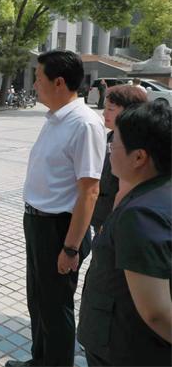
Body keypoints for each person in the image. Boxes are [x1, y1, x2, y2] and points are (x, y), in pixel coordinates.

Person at [5, 50, 106, 367]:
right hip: (37, 223)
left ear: (59, 82)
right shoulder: (55, 118)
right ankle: (40, 360)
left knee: (56, 306)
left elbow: (89, 191)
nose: (34, 84)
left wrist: (71, 248)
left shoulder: (84, 124)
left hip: (60, 229)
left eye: (38, 78)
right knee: (38, 301)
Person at [78, 100, 171, 366]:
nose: (109, 152)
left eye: (113, 144)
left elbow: (156, 312)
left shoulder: (141, 216)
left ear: (139, 157)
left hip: (123, 346)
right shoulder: (158, 191)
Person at [89, 85, 147, 235]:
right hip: (102, 215)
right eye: (105, 108)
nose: (104, 113)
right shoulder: (111, 136)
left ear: (129, 111)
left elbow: (125, 188)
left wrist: (110, 224)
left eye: (110, 109)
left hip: (116, 221)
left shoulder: (131, 144)